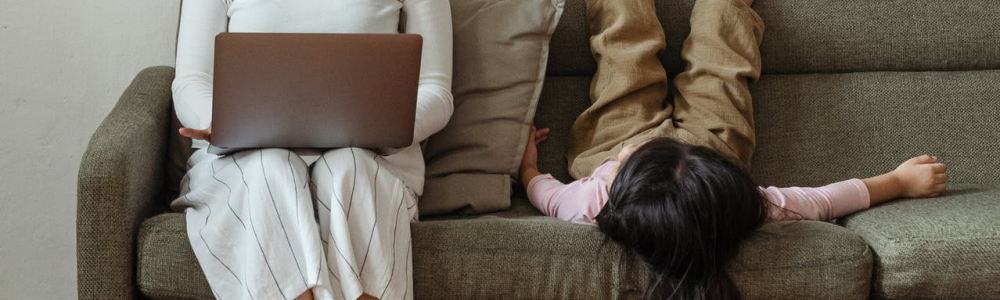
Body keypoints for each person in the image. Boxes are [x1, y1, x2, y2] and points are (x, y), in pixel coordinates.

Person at [518, 0, 949, 299]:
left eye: (627, 165)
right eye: (638, 153)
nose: (642, 146)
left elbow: (548, 195)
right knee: (723, 59)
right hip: (709, 149)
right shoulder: (736, 203)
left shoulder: (593, 201)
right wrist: (897, 182)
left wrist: (528, 169)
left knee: (622, 54)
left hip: (610, 144)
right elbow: (822, 200)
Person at [169, 0, 453, 299]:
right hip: (245, 157)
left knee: (349, 172)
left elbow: (435, 89)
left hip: (370, 157)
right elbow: (191, 81)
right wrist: (217, 121)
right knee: (271, 170)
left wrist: (388, 126)